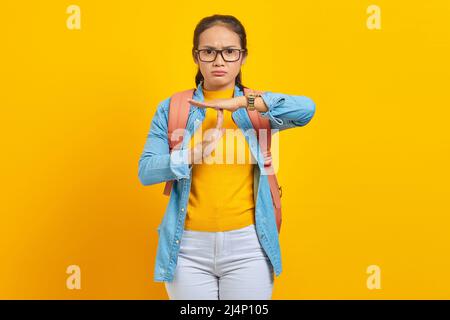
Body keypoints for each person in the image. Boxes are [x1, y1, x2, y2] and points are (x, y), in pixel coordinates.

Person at [138, 14, 316, 300]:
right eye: (209, 52)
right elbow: (146, 171)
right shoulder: (173, 108)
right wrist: (191, 154)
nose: (219, 61)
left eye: (229, 52)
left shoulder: (256, 108)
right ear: (196, 57)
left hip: (249, 247)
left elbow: (307, 110)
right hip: (187, 249)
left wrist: (244, 102)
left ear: (242, 57)